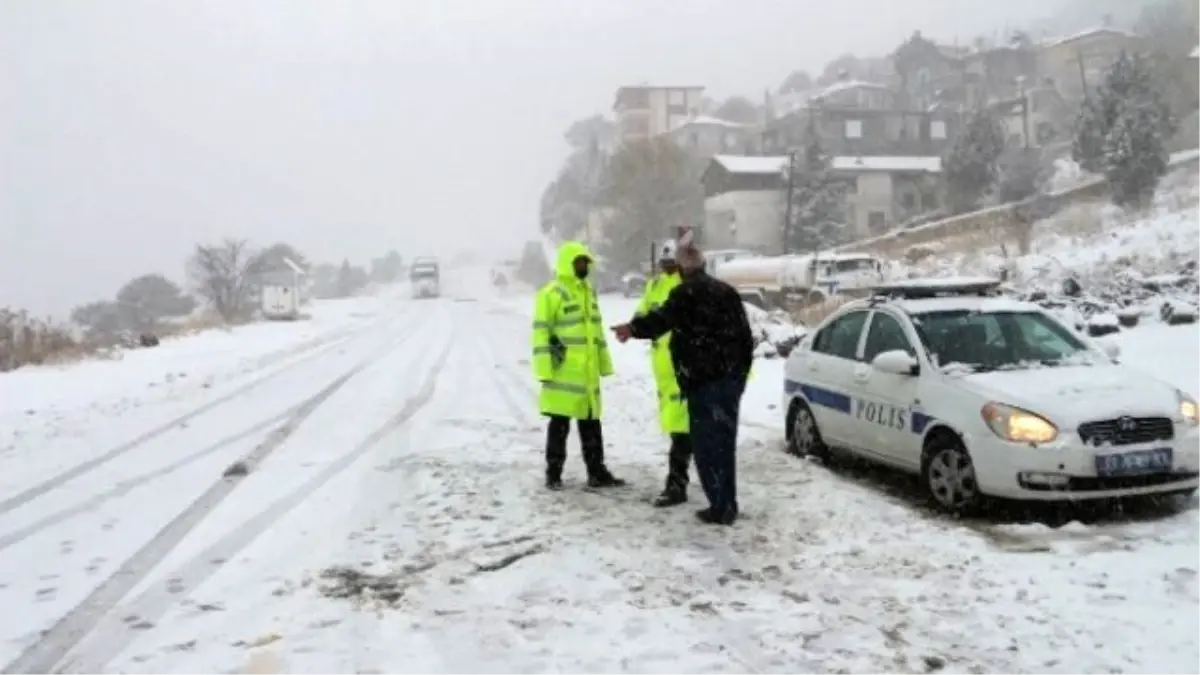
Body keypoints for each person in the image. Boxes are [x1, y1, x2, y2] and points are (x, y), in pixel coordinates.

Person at [611, 240, 754, 525]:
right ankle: (728, 503)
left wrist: (632, 329)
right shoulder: (727, 292)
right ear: (704, 265)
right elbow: (746, 339)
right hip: (727, 382)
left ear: (682, 268)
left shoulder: (684, 293)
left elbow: (660, 321)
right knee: (725, 446)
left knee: (705, 447)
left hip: (702, 383)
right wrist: (738, 377)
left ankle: (718, 507)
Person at [531, 240, 626, 491]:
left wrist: (604, 364)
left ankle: (597, 472)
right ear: (568, 264)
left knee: (591, 424)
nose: (584, 266)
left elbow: (596, 333)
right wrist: (544, 369)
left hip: (587, 375)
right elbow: (541, 333)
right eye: (579, 262)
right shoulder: (551, 293)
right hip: (563, 374)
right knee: (559, 425)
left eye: (586, 262)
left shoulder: (587, 292)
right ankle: (553, 475)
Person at [633, 241, 691, 508]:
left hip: (683, 365)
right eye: (664, 264)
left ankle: (676, 485)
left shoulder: (687, 287)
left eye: (671, 264)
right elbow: (642, 314)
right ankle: (685, 480)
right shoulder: (654, 286)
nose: (666, 268)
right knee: (677, 427)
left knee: (682, 429)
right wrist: (634, 327)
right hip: (661, 367)